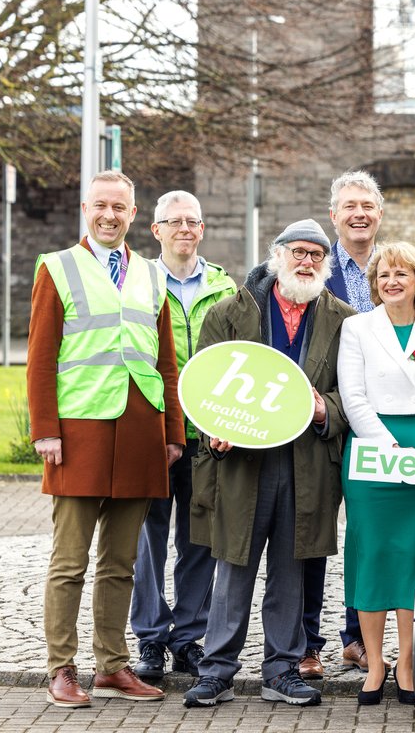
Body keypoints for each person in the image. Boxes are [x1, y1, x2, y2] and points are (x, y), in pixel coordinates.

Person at [28, 170, 185, 707]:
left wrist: (173, 434)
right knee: (69, 562)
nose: (110, 215)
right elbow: (41, 357)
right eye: (101, 206)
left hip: (142, 433)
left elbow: (165, 361)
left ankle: (112, 667)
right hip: (78, 433)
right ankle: (62, 668)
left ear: (134, 215)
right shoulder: (58, 267)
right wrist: (46, 430)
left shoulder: (151, 274)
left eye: (119, 207)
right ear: (85, 208)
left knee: (123, 564)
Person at [183, 220, 354, 709]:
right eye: (298, 252)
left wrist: (327, 410)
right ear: (277, 255)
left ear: (325, 263)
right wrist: (212, 434)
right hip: (242, 462)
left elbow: (354, 392)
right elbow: (205, 386)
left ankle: (282, 670)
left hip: (306, 463)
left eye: (316, 256)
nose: (306, 262)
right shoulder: (229, 312)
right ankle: (216, 671)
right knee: (233, 566)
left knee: (292, 568)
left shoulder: (343, 319)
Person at [337, 241, 415, 705]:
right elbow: (353, 396)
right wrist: (386, 446)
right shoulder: (357, 328)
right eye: (383, 274)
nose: (392, 281)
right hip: (371, 452)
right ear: (374, 283)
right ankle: (374, 663)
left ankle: (408, 662)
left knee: (413, 559)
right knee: (370, 554)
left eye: (401, 274)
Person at [131, 191, 237, 682]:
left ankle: (188, 638)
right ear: (156, 231)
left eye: (193, 221)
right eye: (174, 222)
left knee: (199, 541)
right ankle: (150, 638)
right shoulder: (137, 281)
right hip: (153, 431)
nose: (184, 229)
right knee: (146, 540)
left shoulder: (225, 286)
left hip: (207, 437)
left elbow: (238, 360)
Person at [302, 169, 386, 678]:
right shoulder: (311, 267)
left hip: (376, 422)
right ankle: (307, 642)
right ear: (334, 215)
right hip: (321, 418)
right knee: (310, 532)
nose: (359, 214)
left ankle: (356, 637)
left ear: (379, 215)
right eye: (349, 206)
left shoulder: (395, 269)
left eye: (368, 206)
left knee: (366, 534)